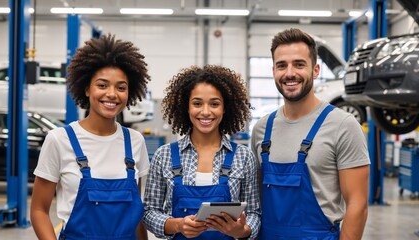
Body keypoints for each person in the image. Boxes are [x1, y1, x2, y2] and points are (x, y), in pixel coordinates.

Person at [250, 28, 370, 239]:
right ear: (273, 72)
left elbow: (357, 205)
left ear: (315, 70)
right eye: (281, 65)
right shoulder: (261, 129)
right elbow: (256, 201)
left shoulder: (343, 125)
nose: (289, 73)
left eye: (299, 64)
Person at [30, 34, 151, 240]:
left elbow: (136, 214)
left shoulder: (135, 141)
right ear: (87, 88)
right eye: (102, 85)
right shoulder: (60, 139)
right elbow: (39, 210)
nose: (112, 94)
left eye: (121, 87)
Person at [143, 65, 260, 239]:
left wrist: (243, 231)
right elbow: (149, 212)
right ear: (186, 107)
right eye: (197, 103)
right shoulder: (164, 155)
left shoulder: (243, 157)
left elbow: (254, 213)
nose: (205, 112)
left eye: (214, 104)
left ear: (225, 108)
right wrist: (177, 225)